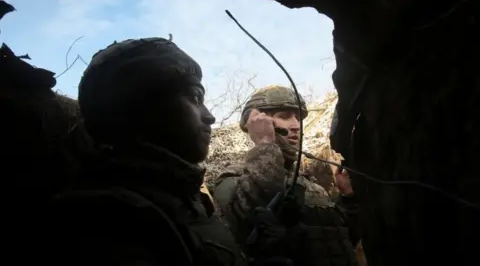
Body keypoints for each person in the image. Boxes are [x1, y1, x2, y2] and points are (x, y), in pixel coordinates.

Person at [45, 37, 247, 266]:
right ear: (142, 105)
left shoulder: (177, 200)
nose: (210, 116)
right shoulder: (107, 220)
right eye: (195, 97)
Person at [214, 85, 359, 266]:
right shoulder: (233, 178)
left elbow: (339, 240)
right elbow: (251, 219)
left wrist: (348, 198)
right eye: (284, 116)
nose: (296, 125)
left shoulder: (313, 186)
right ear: (257, 122)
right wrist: (265, 143)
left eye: (298, 118)